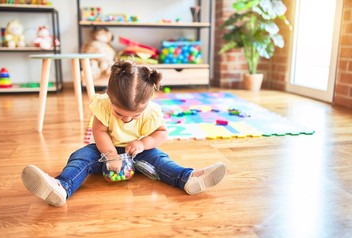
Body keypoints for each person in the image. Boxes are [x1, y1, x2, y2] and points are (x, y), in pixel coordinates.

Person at [21, 60, 227, 207]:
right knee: (80, 157)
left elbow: (162, 134)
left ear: (145, 105)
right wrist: (110, 155)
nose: (126, 120)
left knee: (162, 160)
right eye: (119, 113)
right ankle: (61, 186)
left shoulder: (152, 112)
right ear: (109, 97)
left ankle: (189, 178)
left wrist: (144, 143)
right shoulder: (102, 105)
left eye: (134, 116)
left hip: (140, 152)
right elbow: (99, 131)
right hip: (106, 150)